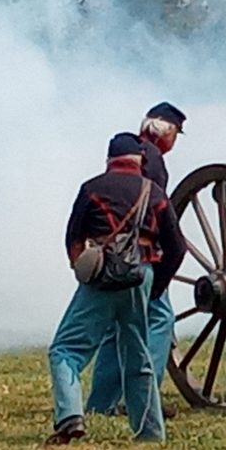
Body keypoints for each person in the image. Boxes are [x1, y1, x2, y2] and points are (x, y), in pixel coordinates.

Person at [47, 132, 188, 444]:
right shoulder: (154, 193)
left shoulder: (92, 188)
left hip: (101, 278)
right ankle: (151, 433)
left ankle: (70, 416)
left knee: (65, 350)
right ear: (140, 161)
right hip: (142, 277)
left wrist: (82, 269)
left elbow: (73, 237)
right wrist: (155, 285)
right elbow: (177, 248)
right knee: (138, 357)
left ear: (110, 160)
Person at [86, 102, 186, 416]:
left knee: (116, 328)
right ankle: (143, 401)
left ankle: (101, 404)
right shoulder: (152, 160)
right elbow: (155, 211)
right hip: (144, 258)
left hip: (114, 255)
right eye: (176, 135)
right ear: (166, 133)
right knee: (158, 321)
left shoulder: (127, 154)